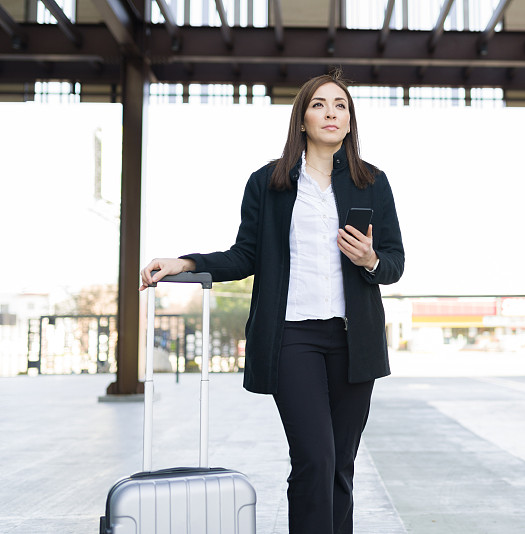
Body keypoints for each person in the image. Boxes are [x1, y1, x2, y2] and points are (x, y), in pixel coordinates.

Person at [139, 71, 404, 534]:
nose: (331, 113)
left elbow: (394, 264)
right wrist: (186, 262)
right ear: (302, 119)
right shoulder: (270, 182)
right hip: (292, 337)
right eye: (319, 104)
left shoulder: (372, 182)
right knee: (314, 459)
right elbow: (245, 255)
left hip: (353, 340)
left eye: (340, 105)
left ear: (350, 121)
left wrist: (370, 259)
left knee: (341, 464)